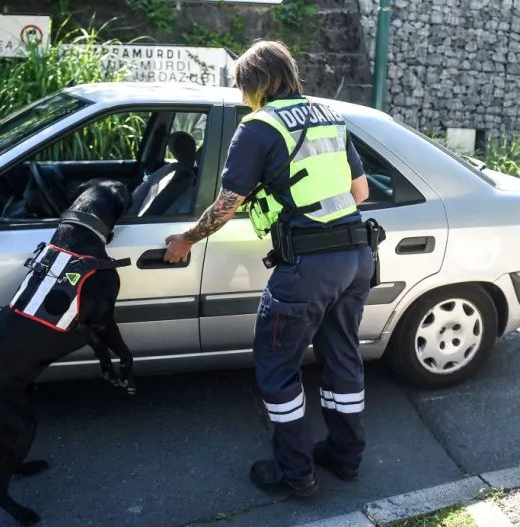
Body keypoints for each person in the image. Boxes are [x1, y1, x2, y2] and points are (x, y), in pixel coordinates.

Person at [163, 40, 383, 498]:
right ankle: (346, 458)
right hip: (356, 257)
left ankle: (294, 473)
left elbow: (226, 207)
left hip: (306, 267)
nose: (243, 99)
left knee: (277, 368)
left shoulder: (259, 128)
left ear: (256, 84)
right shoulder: (330, 118)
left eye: (244, 88)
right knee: (342, 357)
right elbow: (359, 192)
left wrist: (186, 239)